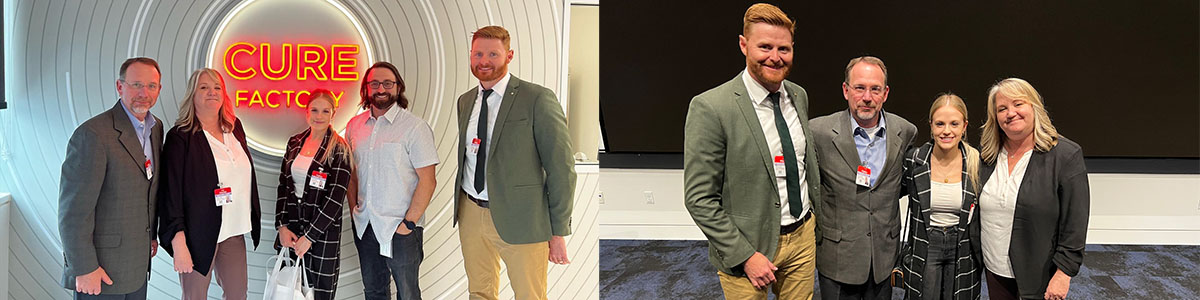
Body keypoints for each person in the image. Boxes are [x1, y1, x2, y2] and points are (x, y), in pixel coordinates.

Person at [682, 3, 820, 299]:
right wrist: (745, 255)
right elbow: (699, 199)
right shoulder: (711, 107)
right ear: (744, 45)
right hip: (749, 248)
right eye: (765, 46)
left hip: (802, 237)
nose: (775, 57)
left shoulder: (798, 95)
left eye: (784, 48)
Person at [454, 25, 576, 300]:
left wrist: (558, 231)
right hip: (471, 212)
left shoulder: (536, 98)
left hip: (524, 217)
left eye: (493, 54)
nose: (484, 61)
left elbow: (562, 168)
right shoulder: (465, 101)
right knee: (479, 292)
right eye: (478, 54)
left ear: (509, 56)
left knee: (529, 295)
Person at [810, 56, 917, 300]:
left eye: (875, 89)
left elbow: (898, 185)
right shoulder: (819, 132)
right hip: (838, 257)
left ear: (885, 93)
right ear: (846, 90)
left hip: (883, 256)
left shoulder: (905, 131)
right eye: (859, 88)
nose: (867, 97)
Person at [59, 57, 163, 299]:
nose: (144, 93)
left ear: (159, 89)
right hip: (99, 271)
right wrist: (83, 268)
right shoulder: (93, 134)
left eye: (151, 86)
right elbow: (73, 212)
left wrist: (152, 235)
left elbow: (148, 189)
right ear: (120, 86)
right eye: (136, 84)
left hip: (136, 266)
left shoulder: (156, 129)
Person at [976, 78, 1089, 300]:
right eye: (1002, 108)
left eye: (1018, 104)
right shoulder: (986, 156)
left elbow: (1075, 223)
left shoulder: (1065, 155)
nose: (1011, 113)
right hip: (994, 269)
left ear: (1034, 107)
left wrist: (1064, 273)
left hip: (1039, 275)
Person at [157, 68, 261, 300]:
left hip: (233, 232)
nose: (211, 93)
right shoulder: (180, 136)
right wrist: (179, 242)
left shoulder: (235, 128)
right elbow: (170, 194)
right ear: (192, 95)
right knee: (195, 296)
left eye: (217, 88)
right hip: (197, 235)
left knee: (237, 295)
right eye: (204, 87)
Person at [345, 62, 438, 300]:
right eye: (374, 83)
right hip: (366, 226)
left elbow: (427, 181)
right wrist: (354, 208)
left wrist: (409, 223)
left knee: (407, 294)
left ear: (398, 88)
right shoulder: (354, 127)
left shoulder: (415, 128)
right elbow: (352, 174)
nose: (381, 88)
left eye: (388, 83)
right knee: (374, 291)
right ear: (366, 89)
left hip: (402, 228)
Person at [896, 94, 983, 299]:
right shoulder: (914, 160)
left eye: (954, 124)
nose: (946, 131)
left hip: (963, 247)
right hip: (925, 245)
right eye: (940, 124)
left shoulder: (977, 163)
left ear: (964, 126)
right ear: (931, 126)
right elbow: (889, 197)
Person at [275, 89, 354, 300]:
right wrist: (281, 226)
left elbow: (335, 200)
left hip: (322, 235)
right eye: (314, 110)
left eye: (325, 111)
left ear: (333, 114)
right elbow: (284, 186)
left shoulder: (340, 150)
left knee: (318, 294)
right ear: (307, 112)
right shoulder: (294, 143)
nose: (319, 116)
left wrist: (310, 236)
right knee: (289, 292)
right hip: (291, 231)